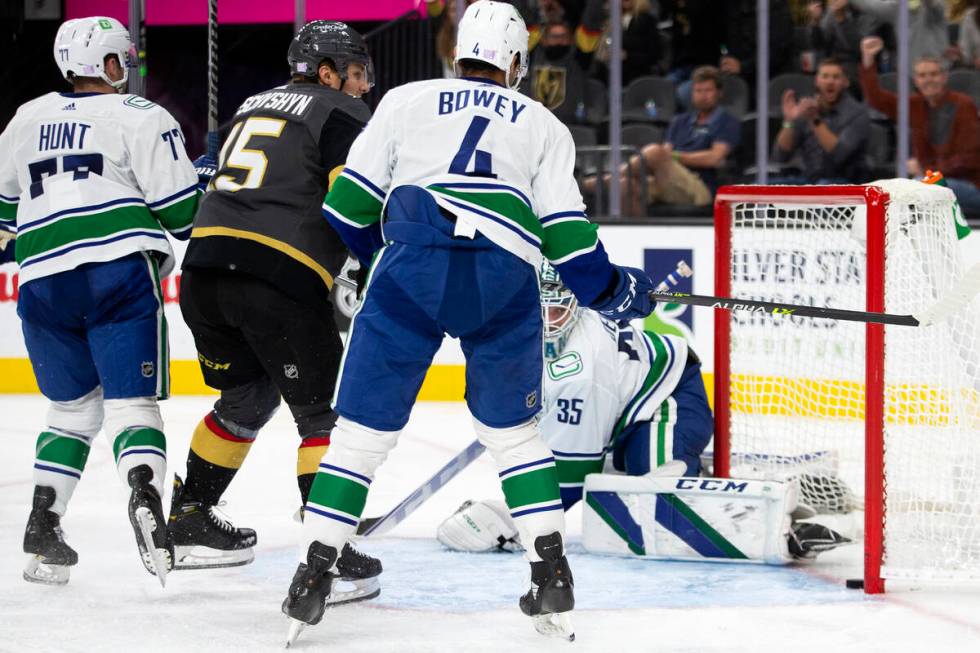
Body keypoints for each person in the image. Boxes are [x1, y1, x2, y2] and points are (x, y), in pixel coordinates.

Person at [283, 1, 658, 644]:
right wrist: (616, 291)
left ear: (457, 55)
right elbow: (569, 242)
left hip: (411, 268)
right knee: (515, 440)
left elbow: (345, 210)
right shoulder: (543, 124)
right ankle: (550, 576)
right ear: (515, 62)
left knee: (359, 440)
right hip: (502, 278)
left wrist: (399, 259)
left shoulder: (404, 100)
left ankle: (313, 575)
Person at [437, 264, 851, 564]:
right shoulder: (522, 330)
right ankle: (768, 472)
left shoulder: (583, 369)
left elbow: (570, 482)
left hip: (668, 397)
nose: (545, 318)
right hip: (620, 411)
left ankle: (779, 515)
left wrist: (510, 521)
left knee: (650, 498)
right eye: (536, 306)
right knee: (623, 481)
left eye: (556, 307)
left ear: (575, 304)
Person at [168, 20, 381, 602]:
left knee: (245, 399)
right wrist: (375, 257)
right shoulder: (341, 112)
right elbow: (350, 196)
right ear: (328, 72)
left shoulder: (250, 106)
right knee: (321, 416)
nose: (361, 87)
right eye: (355, 73)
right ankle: (326, 552)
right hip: (276, 277)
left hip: (204, 271)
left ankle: (189, 517)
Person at [0, 16, 201, 585]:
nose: (128, 67)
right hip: (115, 272)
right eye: (123, 59)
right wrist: (201, 179)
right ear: (107, 65)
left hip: (39, 283)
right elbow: (182, 215)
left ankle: (44, 521)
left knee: (71, 411)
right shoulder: (140, 116)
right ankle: (144, 498)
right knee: (132, 408)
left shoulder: (26, 116)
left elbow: (2, 209)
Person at [587, 65, 740, 214]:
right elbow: (666, 152)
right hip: (666, 178)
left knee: (655, 152)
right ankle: (638, 236)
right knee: (624, 185)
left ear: (719, 93)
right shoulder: (680, 121)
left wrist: (674, 156)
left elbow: (713, 158)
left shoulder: (727, 122)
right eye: (698, 90)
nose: (703, 95)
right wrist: (667, 157)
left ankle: (593, 181)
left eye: (708, 90)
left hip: (700, 187)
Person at [860, 36, 980, 211]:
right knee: (893, 192)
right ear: (916, 81)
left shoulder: (963, 104)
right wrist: (868, 60)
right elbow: (876, 99)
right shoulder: (915, 105)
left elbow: (969, 160)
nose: (928, 79)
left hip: (969, 186)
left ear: (944, 77)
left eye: (934, 74)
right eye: (922, 75)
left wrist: (927, 169)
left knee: (918, 190)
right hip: (933, 182)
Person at [773, 57, 871, 184]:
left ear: (845, 82)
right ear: (817, 81)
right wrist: (789, 121)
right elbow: (780, 156)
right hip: (808, 180)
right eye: (825, 76)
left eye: (836, 77)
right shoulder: (807, 108)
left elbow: (838, 156)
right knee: (762, 187)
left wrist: (815, 120)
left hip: (846, 182)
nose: (830, 82)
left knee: (823, 184)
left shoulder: (857, 114)